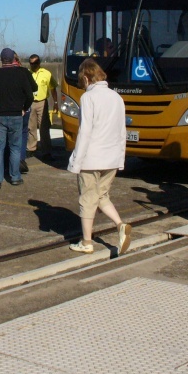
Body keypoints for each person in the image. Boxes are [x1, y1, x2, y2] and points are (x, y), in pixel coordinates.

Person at [67, 59, 131, 255]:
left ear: (86, 78)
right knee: (102, 195)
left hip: (91, 158)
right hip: (111, 157)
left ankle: (86, 242)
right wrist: (120, 159)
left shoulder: (88, 98)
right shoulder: (116, 97)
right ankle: (120, 225)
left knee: (87, 199)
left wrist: (76, 161)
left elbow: (85, 131)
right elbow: (122, 130)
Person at [0, 48, 34, 189]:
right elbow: (30, 96)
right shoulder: (21, 75)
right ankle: (15, 177)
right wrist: (24, 108)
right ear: (13, 59)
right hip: (16, 115)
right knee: (15, 148)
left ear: (1, 60)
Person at [27, 54, 58, 161]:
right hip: (31, 102)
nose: (33, 65)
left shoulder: (46, 74)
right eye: (31, 63)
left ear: (39, 63)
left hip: (42, 102)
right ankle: (31, 148)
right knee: (31, 127)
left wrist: (56, 102)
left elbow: (53, 88)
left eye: (35, 63)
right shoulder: (27, 73)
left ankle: (46, 151)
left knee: (44, 127)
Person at [14, 52, 37, 174]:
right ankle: (21, 159)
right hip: (24, 108)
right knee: (23, 134)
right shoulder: (25, 72)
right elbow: (34, 88)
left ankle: (11, 160)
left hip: (9, 110)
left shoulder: (0, 73)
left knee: (9, 135)